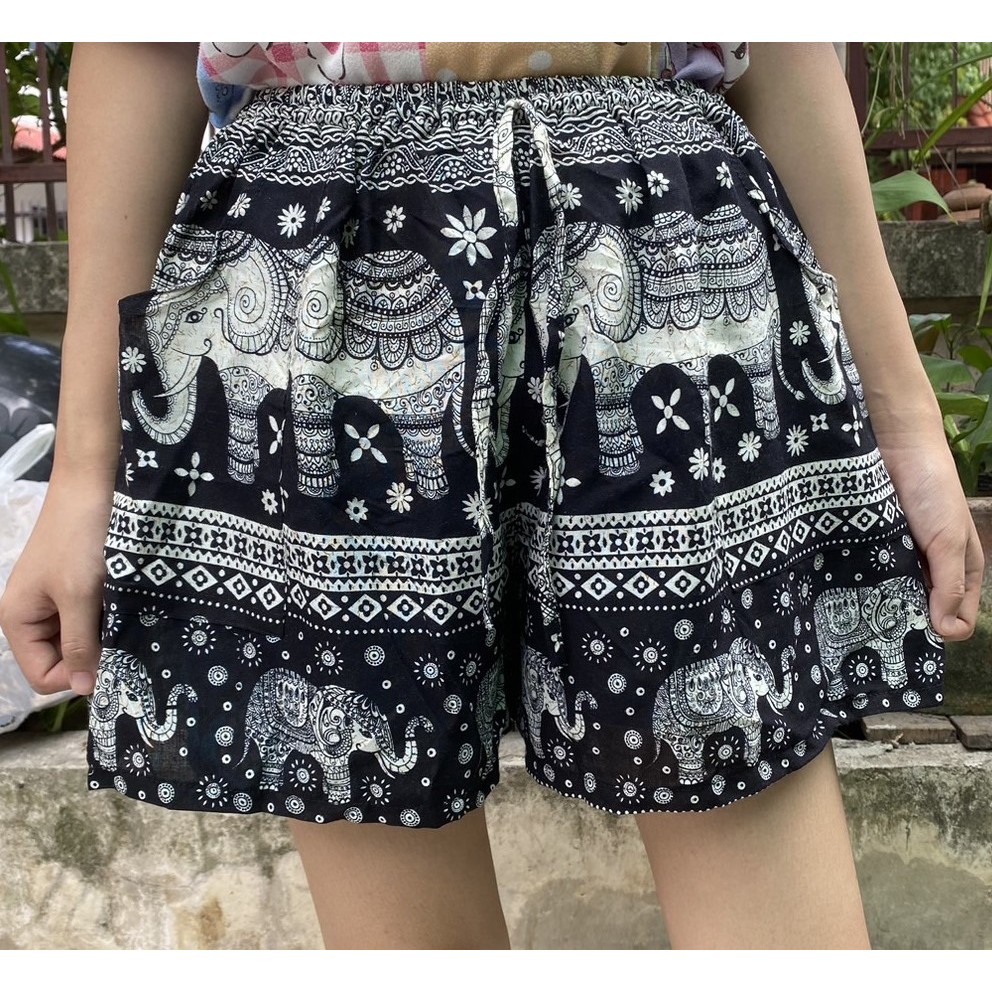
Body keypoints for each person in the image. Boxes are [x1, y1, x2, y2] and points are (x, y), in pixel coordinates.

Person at [0, 42, 982, 951]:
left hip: (656, 236)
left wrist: (903, 421)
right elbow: (135, 43)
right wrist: (85, 467)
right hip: (318, 263)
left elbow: (786, 43)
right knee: (394, 905)